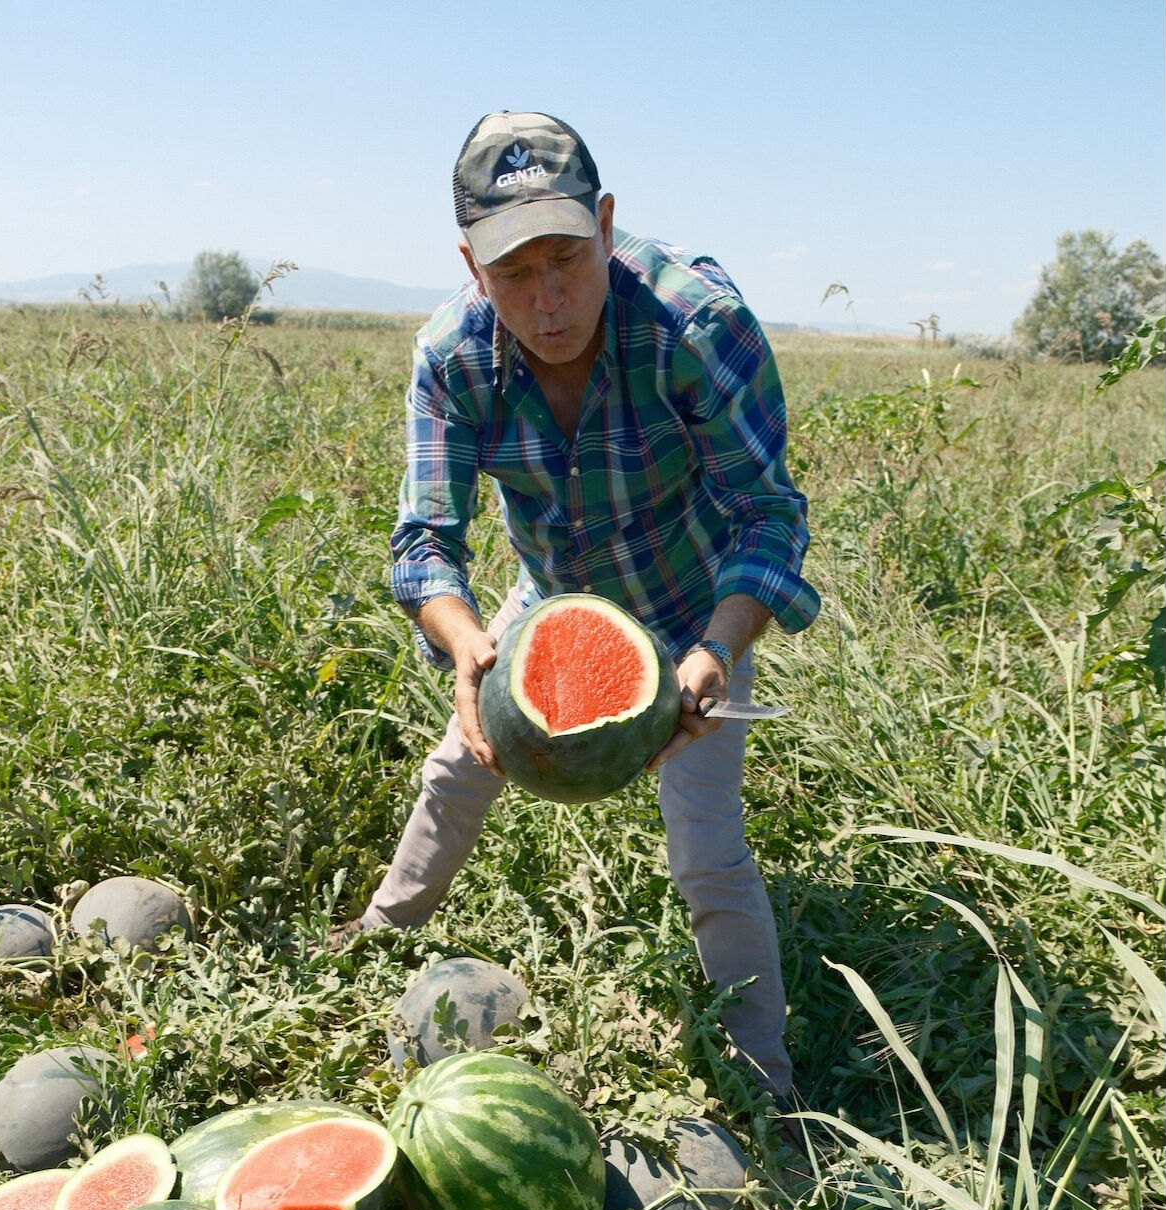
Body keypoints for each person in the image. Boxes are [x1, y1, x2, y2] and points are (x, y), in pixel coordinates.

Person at [335, 111, 820, 1102]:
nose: (547, 299)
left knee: (707, 849)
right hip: (552, 588)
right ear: (472, 266)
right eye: (514, 273)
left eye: (567, 258)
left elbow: (767, 519)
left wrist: (716, 652)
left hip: (693, 606)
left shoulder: (696, 326)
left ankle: (766, 1082)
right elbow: (424, 543)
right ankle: (372, 947)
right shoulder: (453, 357)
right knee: (454, 771)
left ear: (605, 225)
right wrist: (469, 646)